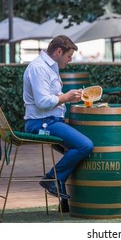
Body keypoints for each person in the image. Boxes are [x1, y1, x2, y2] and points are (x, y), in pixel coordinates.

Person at [23, 35, 94, 212]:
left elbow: (52, 100)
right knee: (85, 145)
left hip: (50, 121)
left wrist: (68, 98)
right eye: (69, 56)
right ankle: (52, 179)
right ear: (59, 51)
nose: (69, 60)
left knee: (76, 150)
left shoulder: (49, 67)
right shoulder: (39, 68)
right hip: (41, 124)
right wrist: (66, 97)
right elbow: (42, 102)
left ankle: (62, 195)